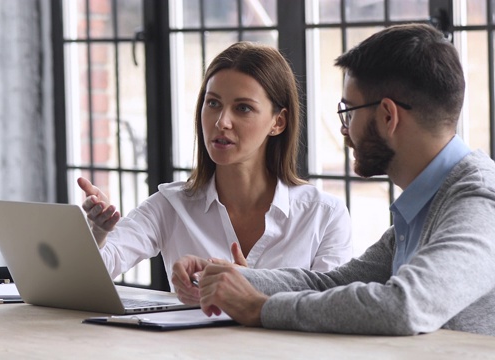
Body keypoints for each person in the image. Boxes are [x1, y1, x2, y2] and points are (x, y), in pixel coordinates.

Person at [172, 23, 495, 336]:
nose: (345, 130)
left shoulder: (478, 201)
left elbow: (402, 306)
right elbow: (331, 283)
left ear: (387, 116)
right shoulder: (425, 206)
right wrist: (238, 278)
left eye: (349, 112)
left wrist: (260, 308)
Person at [78, 41, 353, 288]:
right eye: (213, 103)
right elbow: (87, 279)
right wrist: (99, 233)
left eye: (243, 107)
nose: (222, 122)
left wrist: (251, 289)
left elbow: (329, 310)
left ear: (278, 122)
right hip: (190, 347)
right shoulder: (170, 206)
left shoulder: (323, 216)